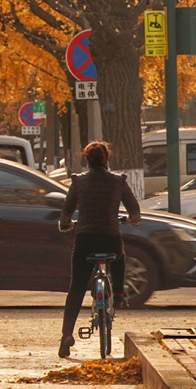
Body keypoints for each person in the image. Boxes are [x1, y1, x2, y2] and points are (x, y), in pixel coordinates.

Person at [56, 140, 141, 358]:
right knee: (119, 256)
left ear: (87, 160)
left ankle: (66, 335)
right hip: (110, 239)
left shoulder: (78, 182)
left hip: (85, 240)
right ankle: (119, 294)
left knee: (76, 286)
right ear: (107, 159)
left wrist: (66, 225)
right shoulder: (118, 182)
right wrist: (132, 219)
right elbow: (134, 210)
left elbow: (66, 212)